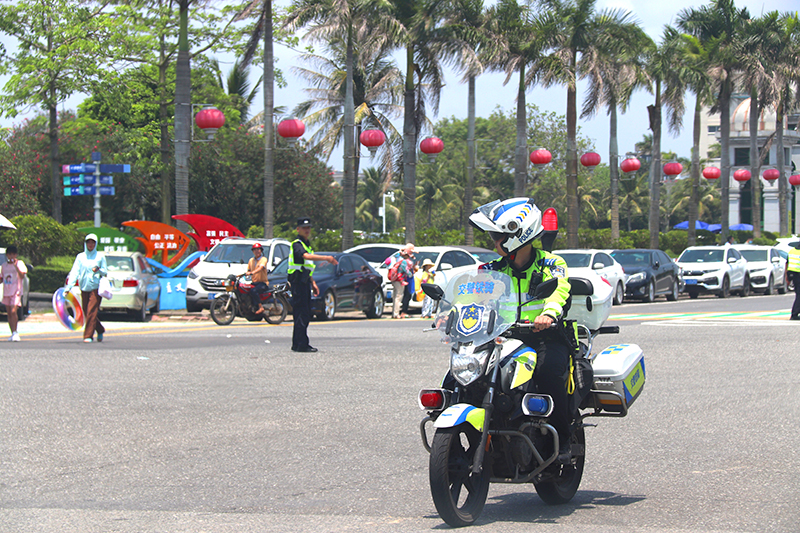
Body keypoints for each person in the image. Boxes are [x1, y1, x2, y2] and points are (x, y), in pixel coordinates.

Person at [469, 197, 576, 462]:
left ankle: (563, 440)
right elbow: (472, 297)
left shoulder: (551, 264)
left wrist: (549, 314)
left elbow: (559, 290)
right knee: (465, 375)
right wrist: (452, 315)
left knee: (550, 374)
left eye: (497, 237)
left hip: (546, 336)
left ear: (515, 236)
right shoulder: (490, 269)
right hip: (503, 338)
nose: (493, 243)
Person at [288, 218, 338, 352]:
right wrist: (326, 258)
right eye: (304, 228)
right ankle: (302, 344)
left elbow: (306, 267)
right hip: (298, 283)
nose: (307, 230)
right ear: (298, 229)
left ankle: (297, 344)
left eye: (308, 228)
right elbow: (306, 257)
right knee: (302, 314)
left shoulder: (306, 244)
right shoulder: (297, 244)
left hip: (304, 282)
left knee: (302, 313)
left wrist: (313, 282)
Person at [66, 234, 108, 343]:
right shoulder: (80, 257)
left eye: (93, 242)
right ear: (85, 243)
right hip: (84, 287)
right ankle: (100, 329)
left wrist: (98, 269)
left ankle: (88, 335)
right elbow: (75, 272)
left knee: (92, 311)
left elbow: (105, 271)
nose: (91, 245)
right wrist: (69, 286)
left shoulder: (100, 256)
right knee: (86, 312)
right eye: (89, 242)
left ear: (96, 244)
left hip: (95, 287)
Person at [2, 245, 27, 342]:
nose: (11, 256)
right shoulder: (4, 266)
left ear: (16, 255)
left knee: (13, 311)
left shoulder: (20, 263)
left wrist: (16, 266)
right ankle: (12, 332)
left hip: (16, 291)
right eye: (9, 254)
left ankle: (16, 332)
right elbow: (2, 277)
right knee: (9, 313)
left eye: (13, 254)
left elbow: (22, 275)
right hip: (6, 291)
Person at [388, 244, 415, 319]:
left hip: (394, 279)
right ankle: (396, 314)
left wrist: (402, 251)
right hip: (400, 280)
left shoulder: (397, 259)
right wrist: (411, 274)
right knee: (398, 297)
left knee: (395, 297)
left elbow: (396, 254)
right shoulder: (403, 262)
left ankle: (394, 313)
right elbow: (406, 271)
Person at [246, 243, 269, 314]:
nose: (257, 251)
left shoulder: (263, 259)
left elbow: (261, 268)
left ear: (261, 251)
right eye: (255, 250)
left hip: (263, 283)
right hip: (254, 282)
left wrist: (252, 272)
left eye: (258, 249)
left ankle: (260, 307)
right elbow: (248, 270)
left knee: (253, 291)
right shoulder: (251, 260)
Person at [788, 240, 800, 320]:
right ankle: (794, 314)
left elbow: (787, 263)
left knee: (798, 294)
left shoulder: (792, 250)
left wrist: (787, 277)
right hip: (798, 274)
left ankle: (795, 313)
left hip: (793, 274)